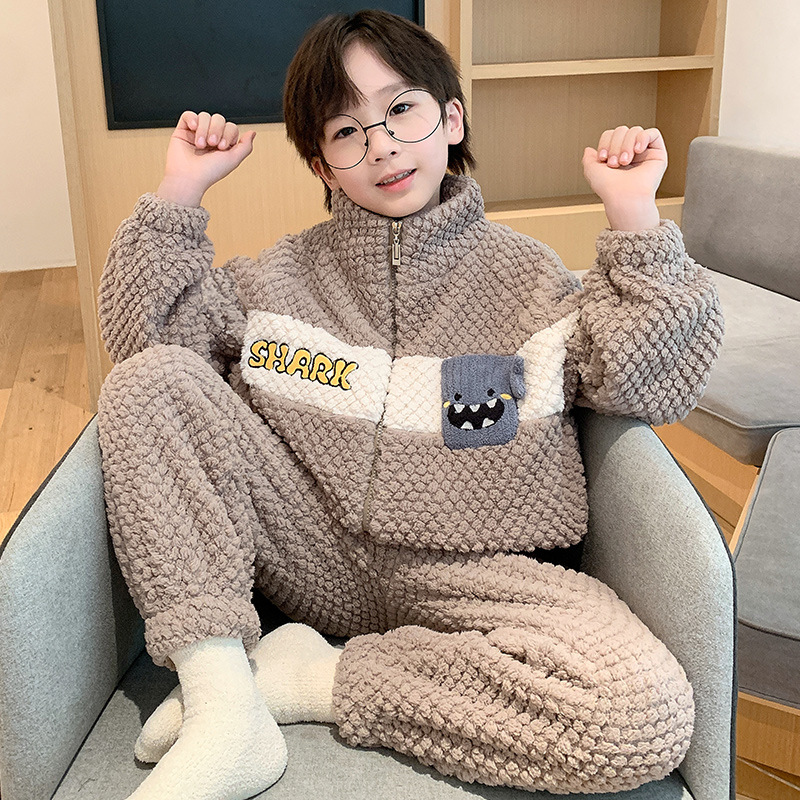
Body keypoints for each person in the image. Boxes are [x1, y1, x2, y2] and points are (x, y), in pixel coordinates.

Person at [96, 9, 723, 800]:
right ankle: (222, 702)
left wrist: (634, 215)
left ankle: (304, 680)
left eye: (400, 110)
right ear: (323, 166)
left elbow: (654, 383)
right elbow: (144, 338)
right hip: (308, 555)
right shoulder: (276, 282)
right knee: (147, 380)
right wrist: (180, 191)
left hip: (482, 574)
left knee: (641, 712)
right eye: (346, 131)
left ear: (451, 120)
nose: (382, 145)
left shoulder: (532, 281)